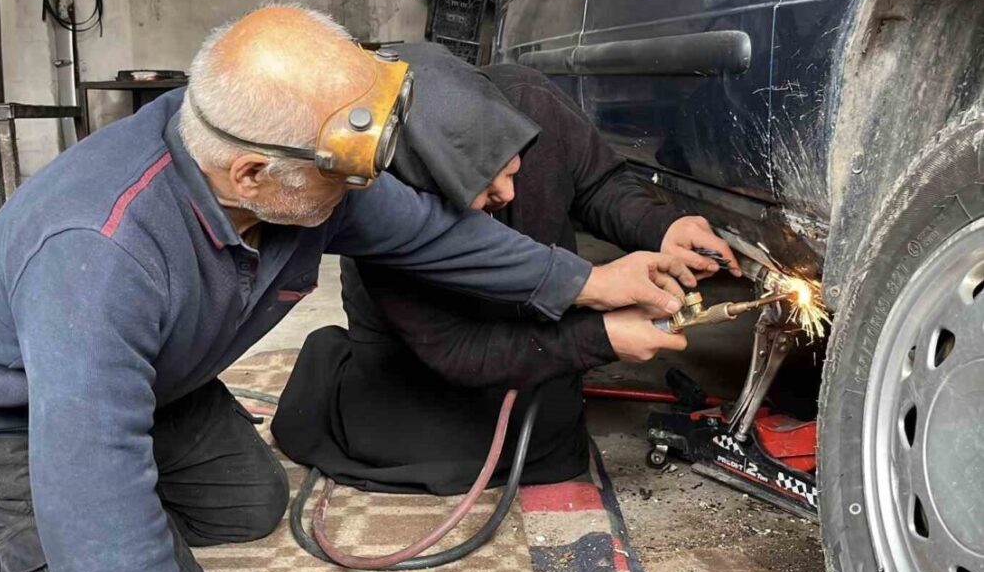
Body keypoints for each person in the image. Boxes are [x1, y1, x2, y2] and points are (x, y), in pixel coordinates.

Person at [0, 7, 698, 572]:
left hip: (147, 376)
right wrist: (98, 535)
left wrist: (591, 283)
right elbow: (95, 488)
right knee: (138, 569)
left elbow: (434, 238)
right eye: (347, 174)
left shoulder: (274, 156)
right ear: (251, 176)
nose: (365, 187)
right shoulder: (99, 259)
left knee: (249, 505)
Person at [273, 44, 740, 495]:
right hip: (428, 349)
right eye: (484, 190)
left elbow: (598, 182)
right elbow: (458, 350)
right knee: (434, 454)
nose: (509, 196)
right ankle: (331, 364)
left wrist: (662, 227)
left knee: (550, 447)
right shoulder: (384, 212)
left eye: (514, 171)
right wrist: (600, 337)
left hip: (532, 319)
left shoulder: (529, 100)